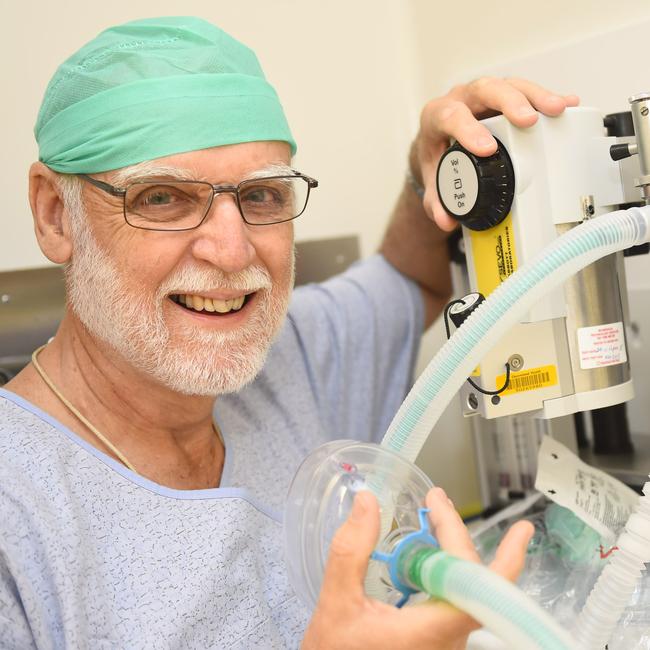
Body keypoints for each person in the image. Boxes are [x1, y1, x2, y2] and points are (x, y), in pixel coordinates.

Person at [0, 16, 577, 649]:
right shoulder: (20, 514)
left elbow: (410, 281)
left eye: (264, 196)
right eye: (162, 198)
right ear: (56, 214)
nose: (230, 249)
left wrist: (431, 172)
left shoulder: (289, 359)